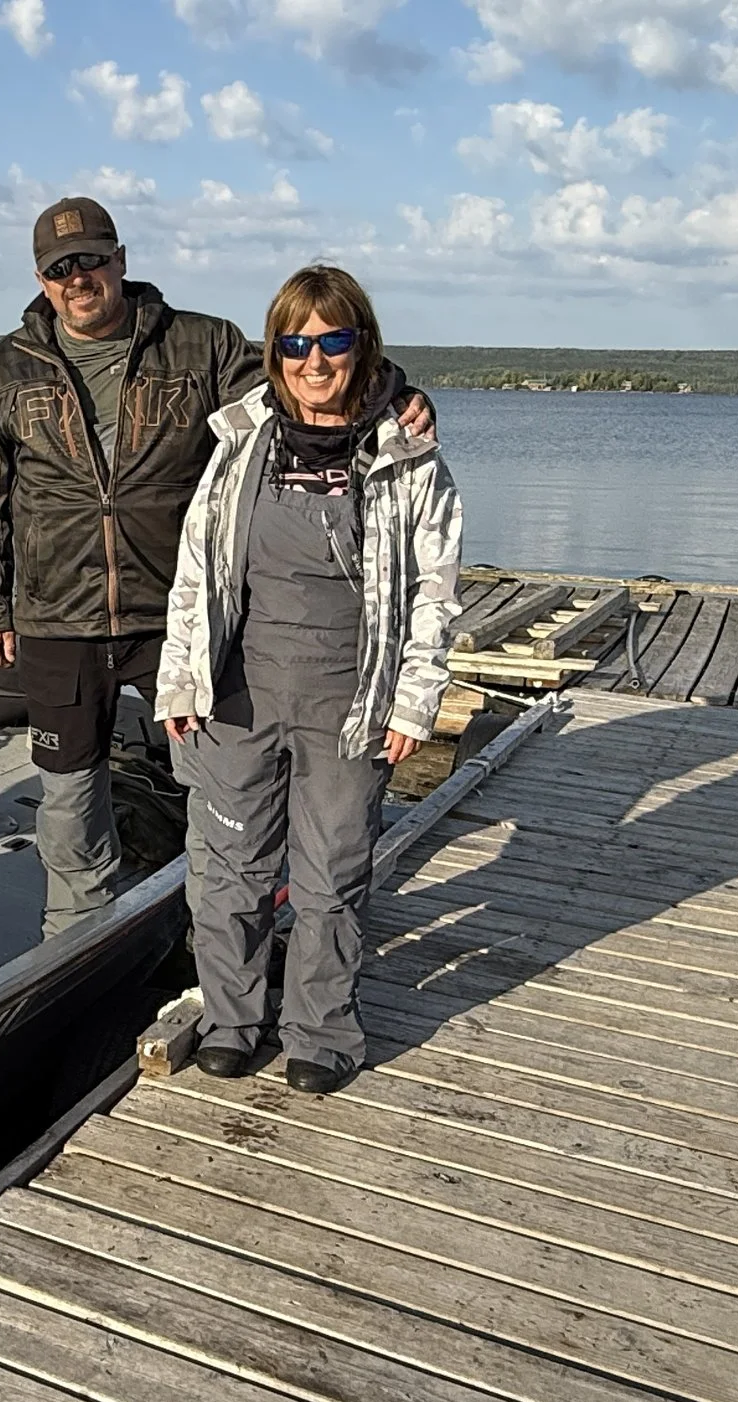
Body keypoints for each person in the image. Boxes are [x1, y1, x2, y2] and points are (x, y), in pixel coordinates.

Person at [0, 195, 436, 940]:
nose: (77, 278)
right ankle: (74, 948)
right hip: (56, 616)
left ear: (120, 260)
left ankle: (211, 939)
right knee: (67, 804)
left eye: (90, 260)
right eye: (60, 268)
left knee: (216, 795)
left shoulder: (200, 344)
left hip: (180, 614)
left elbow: (304, 386)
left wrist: (396, 390)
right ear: (40, 279)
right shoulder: (9, 366)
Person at [156, 266, 463, 1094]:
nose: (314, 360)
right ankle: (231, 1019)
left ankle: (322, 1033)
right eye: (296, 343)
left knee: (331, 878)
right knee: (228, 872)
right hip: (239, 696)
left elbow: (433, 593)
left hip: (348, 702)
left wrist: (414, 702)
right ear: (275, 352)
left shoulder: (406, 458)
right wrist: (180, 682)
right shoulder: (239, 445)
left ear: (362, 348)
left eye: (333, 340)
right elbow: (197, 572)